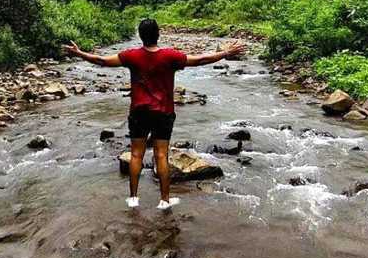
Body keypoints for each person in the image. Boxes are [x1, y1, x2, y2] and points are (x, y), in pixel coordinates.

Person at [63, 18, 246, 210]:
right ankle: (164, 201)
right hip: (163, 112)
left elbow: (101, 61)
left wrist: (79, 53)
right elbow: (201, 59)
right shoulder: (170, 56)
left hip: (139, 112)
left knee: (135, 155)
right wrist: (225, 53)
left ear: (140, 36)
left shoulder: (131, 56)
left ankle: (133, 198)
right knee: (161, 156)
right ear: (158, 34)